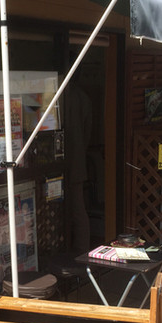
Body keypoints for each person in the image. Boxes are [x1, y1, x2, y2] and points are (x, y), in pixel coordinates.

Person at [64, 69, 93, 254]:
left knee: (74, 208)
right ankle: (82, 249)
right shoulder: (83, 98)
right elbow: (87, 131)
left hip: (70, 161)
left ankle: (79, 249)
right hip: (77, 160)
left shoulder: (63, 96)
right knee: (77, 207)